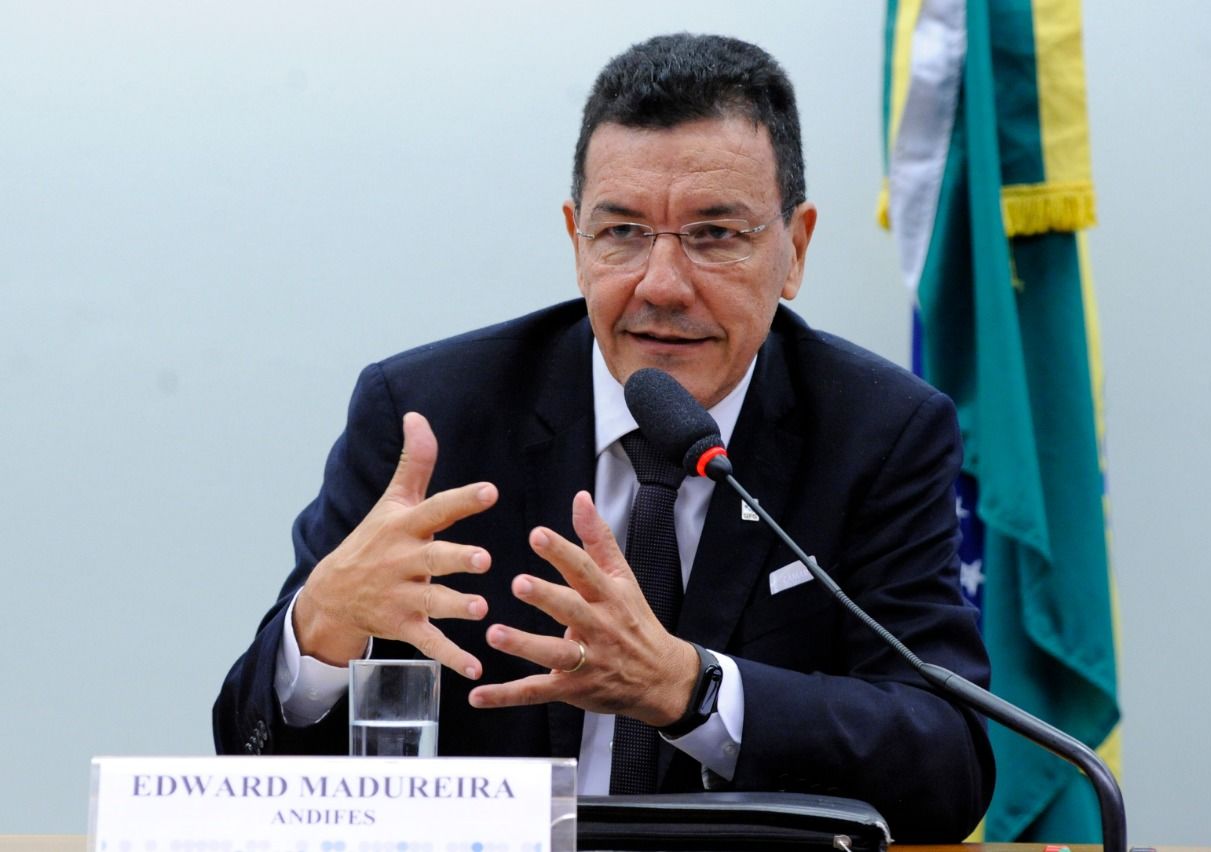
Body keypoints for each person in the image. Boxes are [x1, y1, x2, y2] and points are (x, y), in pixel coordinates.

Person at [214, 32, 994, 841]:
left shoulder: (879, 432)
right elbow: (247, 757)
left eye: (715, 236)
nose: (660, 285)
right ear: (574, 239)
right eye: (621, 233)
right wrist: (319, 636)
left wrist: (690, 689)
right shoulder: (428, 418)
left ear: (793, 251)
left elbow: (947, 763)